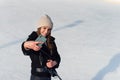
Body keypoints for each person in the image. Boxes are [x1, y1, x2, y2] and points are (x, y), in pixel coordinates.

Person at [21, 14, 61, 80]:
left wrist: (53, 63)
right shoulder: (34, 37)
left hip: (48, 76)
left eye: (49, 29)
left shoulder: (50, 41)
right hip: (37, 76)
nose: (46, 31)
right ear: (40, 28)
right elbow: (26, 50)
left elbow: (57, 57)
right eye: (44, 28)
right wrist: (26, 45)